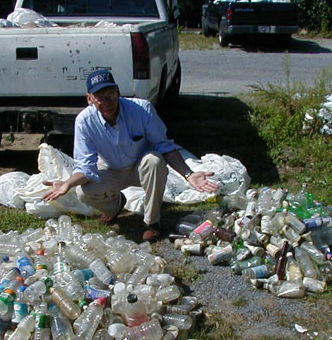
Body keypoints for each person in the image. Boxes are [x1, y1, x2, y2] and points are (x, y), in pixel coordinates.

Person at [43, 69, 218, 242]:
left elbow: (164, 145)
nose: (107, 101)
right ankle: (115, 207)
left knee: (155, 160)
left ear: (118, 92)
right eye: (99, 96)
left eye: (110, 93)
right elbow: (85, 167)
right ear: (89, 99)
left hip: (140, 167)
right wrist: (67, 184)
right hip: (110, 170)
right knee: (83, 192)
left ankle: (152, 222)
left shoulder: (142, 109)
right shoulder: (84, 121)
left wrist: (189, 174)